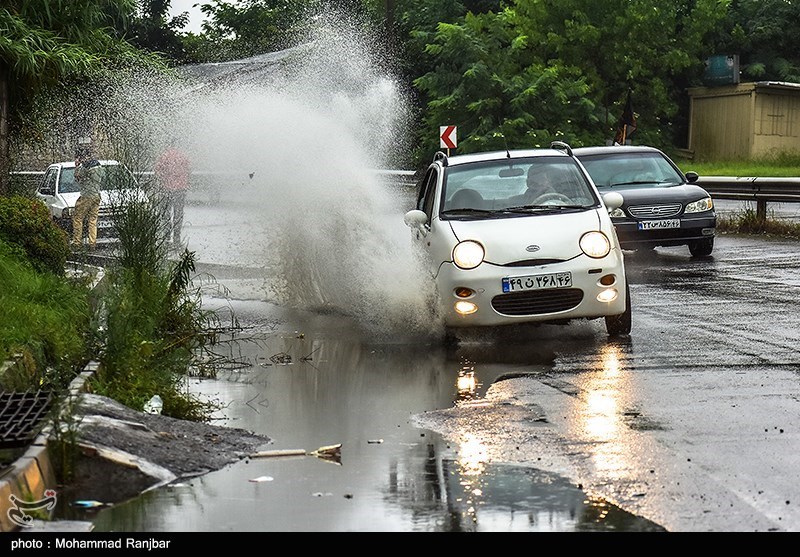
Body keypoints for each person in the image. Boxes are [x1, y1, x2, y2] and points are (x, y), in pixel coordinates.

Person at [155, 138, 191, 245]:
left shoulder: (164, 156)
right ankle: (177, 237)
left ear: (169, 145)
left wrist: (162, 182)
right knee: (178, 213)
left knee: (166, 213)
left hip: (166, 189)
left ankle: (166, 236)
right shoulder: (183, 156)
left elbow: (158, 171)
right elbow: (189, 171)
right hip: (180, 189)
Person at [72, 148, 105, 249]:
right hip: (96, 195)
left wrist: (77, 166)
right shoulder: (99, 165)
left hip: (86, 195)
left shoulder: (85, 167)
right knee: (93, 219)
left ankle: (77, 243)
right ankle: (92, 243)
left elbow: (77, 176)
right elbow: (103, 177)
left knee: (77, 218)